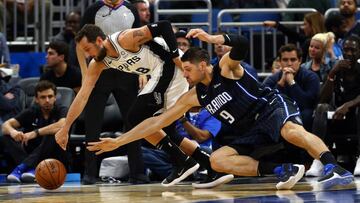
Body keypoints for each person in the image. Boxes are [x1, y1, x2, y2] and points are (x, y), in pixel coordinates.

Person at [87, 29, 355, 190]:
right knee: (217, 160)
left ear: (202, 64)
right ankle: (283, 169)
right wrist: (120, 141)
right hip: (250, 130)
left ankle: (335, 169)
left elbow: (241, 44)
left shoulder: (226, 67)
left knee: (291, 130)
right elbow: (156, 123)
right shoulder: (193, 96)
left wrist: (212, 36)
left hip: (269, 108)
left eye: (188, 70)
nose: (186, 75)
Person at [55, 21, 233, 188]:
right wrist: (65, 128)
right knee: (167, 128)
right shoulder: (98, 64)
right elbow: (83, 96)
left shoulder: (124, 39)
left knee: (135, 117)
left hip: (171, 66)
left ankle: (183, 162)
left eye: (88, 49)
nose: (87, 55)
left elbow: (163, 26)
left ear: (100, 41)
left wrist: (174, 56)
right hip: (159, 73)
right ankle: (211, 166)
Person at [78, 0, 146, 184]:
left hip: (127, 71)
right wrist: (85, 74)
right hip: (100, 71)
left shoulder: (131, 9)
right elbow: (79, 43)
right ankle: (90, 174)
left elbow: (140, 42)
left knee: (133, 122)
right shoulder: (93, 10)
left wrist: (143, 70)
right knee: (92, 125)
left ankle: (138, 172)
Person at [309, 35, 360, 177]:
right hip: (338, 116)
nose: (349, 53)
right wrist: (332, 73)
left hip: (356, 116)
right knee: (321, 108)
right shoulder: (337, 68)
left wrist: (348, 105)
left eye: (353, 50)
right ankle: (319, 158)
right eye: (346, 50)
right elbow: (322, 98)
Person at [2, 81, 68, 183]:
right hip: (33, 152)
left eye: (50, 96)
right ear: (36, 99)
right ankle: (32, 169)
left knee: (54, 133)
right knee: (6, 136)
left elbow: (62, 125)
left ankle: (21, 168)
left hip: (55, 153)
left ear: (55, 97)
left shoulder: (62, 109)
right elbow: (6, 125)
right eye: (43, 97)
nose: (47, 100)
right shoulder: (32, 111)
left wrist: (36, 132)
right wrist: (13, 132)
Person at [142, 106, 222, 180]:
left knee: (204, 151)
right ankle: (180, 172)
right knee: (141, 152)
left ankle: (179, 172)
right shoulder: (179, 109)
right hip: (175, 150)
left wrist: (183, 119)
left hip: (198, 149)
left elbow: (201, 137)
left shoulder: (211, 113)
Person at [263, 43, 320, 132]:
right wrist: (281, 83)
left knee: (306, 114)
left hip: (303, 115)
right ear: (280, 61)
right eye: (285, 60)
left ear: (300, 60)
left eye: (293, 60)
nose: (289, 64)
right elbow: (266, 102)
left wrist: (292, 83)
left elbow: (307, 104)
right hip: (279, 114)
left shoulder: (311, 77)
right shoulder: (273, 79)